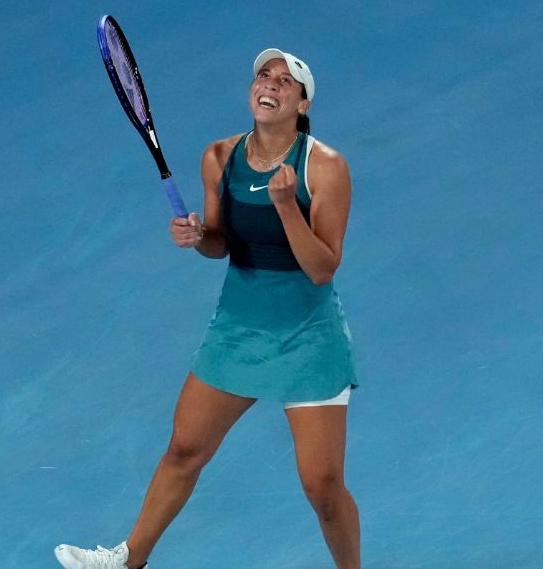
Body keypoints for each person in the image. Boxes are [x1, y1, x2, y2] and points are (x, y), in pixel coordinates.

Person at [55, 47, 360, 569]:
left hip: (307, 335)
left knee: (323, 488)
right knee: (184, 451)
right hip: (238, 329)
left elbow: (322, 268)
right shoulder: (219, 156)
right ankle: (127, 562)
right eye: (264, 75)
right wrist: (197, 236)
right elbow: (221, 243)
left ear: (303, 105)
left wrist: (287, 207)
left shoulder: (326, 168)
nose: (270, 84)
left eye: (286, 82)